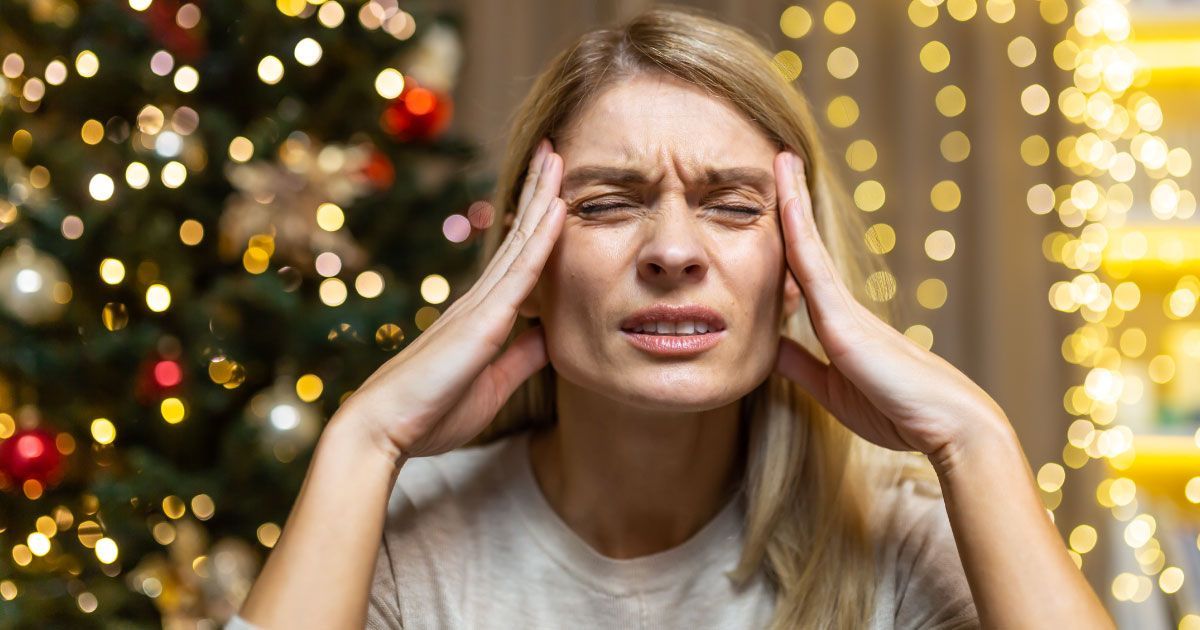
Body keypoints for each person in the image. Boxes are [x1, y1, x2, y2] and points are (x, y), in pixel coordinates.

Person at [229, 6, 1114, 629]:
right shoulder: (405, 532)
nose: (673, 251)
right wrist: (362, 442)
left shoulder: (905, 534)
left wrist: (976, 442)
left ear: (798, 270)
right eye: (609, 203)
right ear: (524, 270)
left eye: (732, 206)